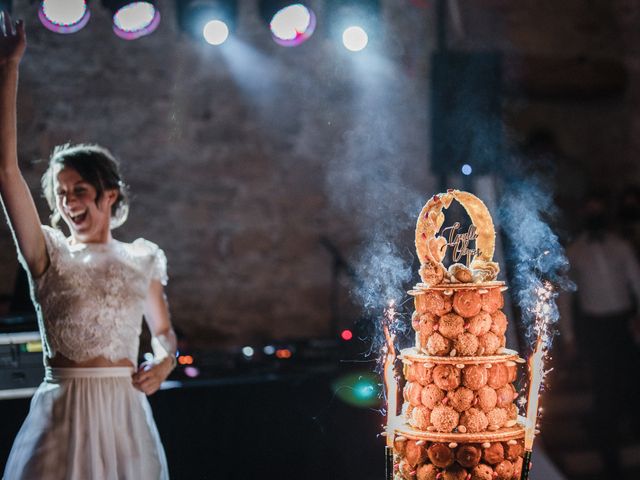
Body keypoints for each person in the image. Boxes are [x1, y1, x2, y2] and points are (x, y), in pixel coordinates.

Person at [0, 12, 175, 479]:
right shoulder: (48, 253)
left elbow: (162, 333)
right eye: (60, 194)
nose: (68, 201)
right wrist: (9, 68)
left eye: (78, 190)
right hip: (64, 413)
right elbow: (5, 173)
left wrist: (164, 362)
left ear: (109, 193)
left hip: (126, 419)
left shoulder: (143, 257)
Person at [558, 190, 640, 477]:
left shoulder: (621, 246)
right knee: (604, 389)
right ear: (582, 214)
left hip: (624, 325)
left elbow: (637, 283)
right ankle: (610, 459)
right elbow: (566, 298)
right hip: (595, 328)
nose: (594, 214)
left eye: (598, 209)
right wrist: (568, 337)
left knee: (631, 384)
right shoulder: (575, 251)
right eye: (589, 209)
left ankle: (621, 434)